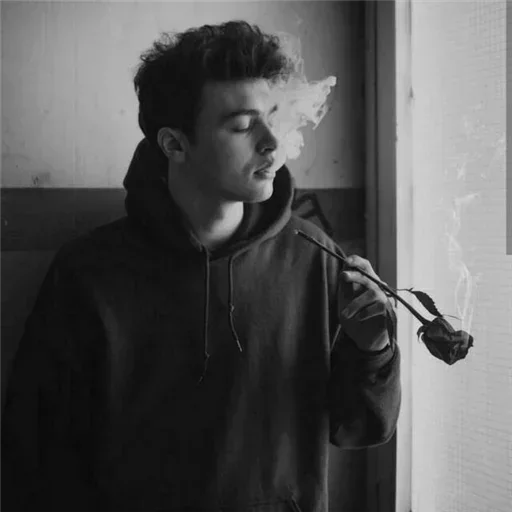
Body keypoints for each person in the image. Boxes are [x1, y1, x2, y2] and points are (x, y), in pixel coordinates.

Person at [0, 20, 401, 512]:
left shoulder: (313, 255)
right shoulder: (87, 274)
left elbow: (362, 427)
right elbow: (35, 455)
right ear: (174, 144)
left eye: (274, 118)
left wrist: (373, 349)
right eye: (243, 125)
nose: (272, 142)